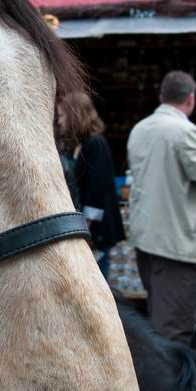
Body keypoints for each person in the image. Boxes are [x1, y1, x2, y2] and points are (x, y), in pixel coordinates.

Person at [127, 71, 196, 343]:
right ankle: (166, 386)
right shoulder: (184, 132)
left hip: (146, 240)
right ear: (190, 98)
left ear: (161, 96)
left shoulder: (140, 128)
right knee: (173, 330)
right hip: (172, 243)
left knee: (159, 320)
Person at [58, 91, 124, 280]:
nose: (59, 121)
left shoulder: (96, 144)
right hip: (90, 232)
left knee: (96, 279)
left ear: (74, 115)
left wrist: (86, 230)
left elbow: (98, 189)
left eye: (62, 115)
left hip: (96, 234)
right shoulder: (81, 146)